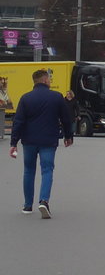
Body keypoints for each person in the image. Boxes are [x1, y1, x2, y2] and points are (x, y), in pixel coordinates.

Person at [8, 69, 74, 218]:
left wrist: (13, 143)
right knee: (47, 170)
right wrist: (68, 136)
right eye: (49, 79)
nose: (50, 81)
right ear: (44, 80)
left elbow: (18, 122)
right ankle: (44, 201)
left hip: (29, 141)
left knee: (28, 171)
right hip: (48, 141)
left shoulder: (25, 98)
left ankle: (27, 205)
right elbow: (66, 119)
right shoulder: (57, 97)